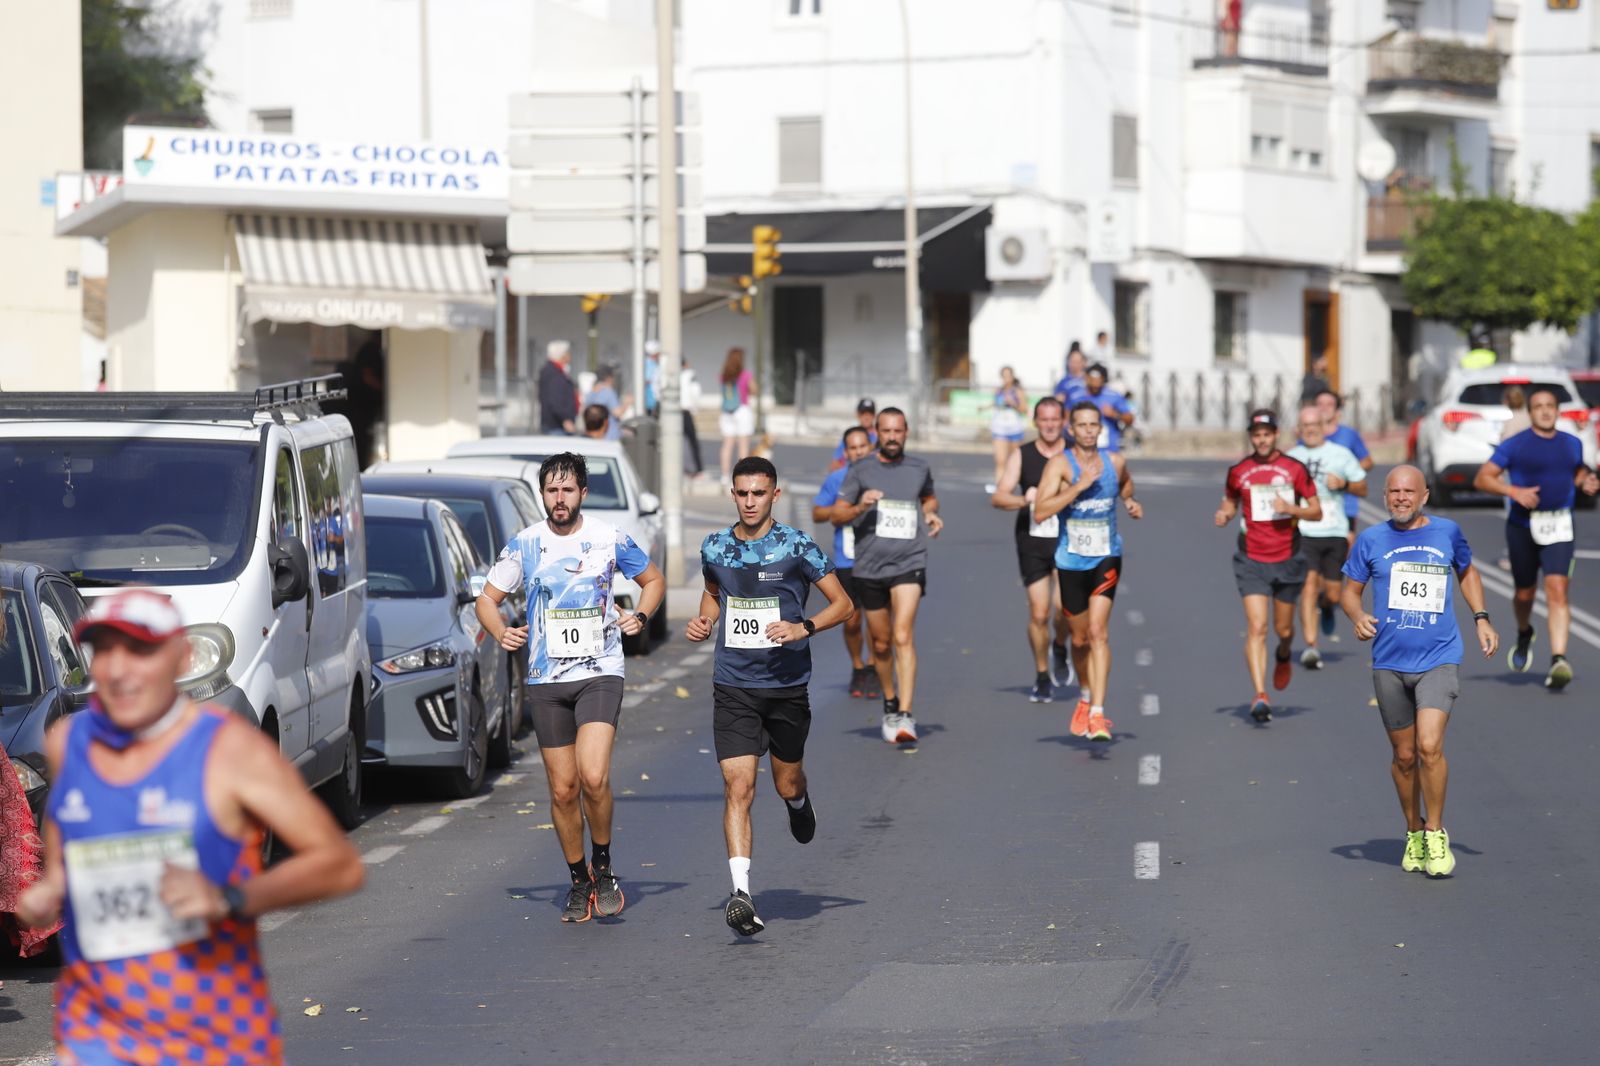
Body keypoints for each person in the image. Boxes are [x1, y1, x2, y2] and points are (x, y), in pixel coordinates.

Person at [16, 590, 365, 1063]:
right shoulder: (70, 743)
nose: (119, 670)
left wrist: (228, 899)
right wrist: (50, 888)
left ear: (181, 658)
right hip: (96, 1031)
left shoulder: (228, 750)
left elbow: (338, 865)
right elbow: (68, 845)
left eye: (140, 650)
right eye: (105, 651)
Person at [475, 453, 666, 922]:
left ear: (582, 492)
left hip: (600, 671)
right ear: (543, 495)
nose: (559, 499)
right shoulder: (525, 544)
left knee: (594, 776)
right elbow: (486, 598)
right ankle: (579, 879)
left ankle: (603, 864)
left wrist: (640, 616)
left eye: (567, 490)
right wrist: (501, 632)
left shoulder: (607, 539)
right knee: (563, 791)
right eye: (551, 490)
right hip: (545, 680)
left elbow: (653, 580)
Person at [687, 457, 853, 937]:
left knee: (786, 784)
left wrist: (804, 627)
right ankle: (741, 893)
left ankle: (799, 804)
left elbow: (843, 605)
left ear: (774, 495)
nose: (750, 501)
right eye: (742, 493)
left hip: (785, 687)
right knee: (739, 787)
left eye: (759, 493)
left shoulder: (797, 547)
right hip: (733, 684)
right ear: (733, 494)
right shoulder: (715, 546)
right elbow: (713, 593)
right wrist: (706, 620)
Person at [1341, 466, 1499, 878]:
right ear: (1385, 494)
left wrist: (1481, 617)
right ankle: (1412, 830)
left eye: (1408, 491)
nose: (1400, 498)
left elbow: (1467, 571)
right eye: (1393, 491)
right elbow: (1348, 590)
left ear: (1424, 495)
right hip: (1389, 663)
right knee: (1405, 756)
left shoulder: (1447, 532)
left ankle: (1434, 830)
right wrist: (1357, 615)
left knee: (1430, 746)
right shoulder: (1372, 539)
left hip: (1439, 658)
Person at [1472, 389, 1600, 689]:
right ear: (1530, 412)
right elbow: (1483, 478)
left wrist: (1586, 481)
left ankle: (1558, 659)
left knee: (1557, 589)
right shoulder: (1516, 445)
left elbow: (1576, 472)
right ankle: (1524, 631)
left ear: (1557, 411)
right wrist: (1514, 492)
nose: (1544, 411)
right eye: (1538, 407)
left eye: (1550, 406)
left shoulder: (1572, 443)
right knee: (1525, 594)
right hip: (1522, 526)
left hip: (1559, 525)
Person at [830, 407, 943, 744]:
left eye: (899, 431)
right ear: (877, 432)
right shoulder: (861, 469)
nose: (893, 437)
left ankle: (905, 713)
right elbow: (837, 515)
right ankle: (890, 701)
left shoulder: (919, 467)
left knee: (902, 635)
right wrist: (861, 505)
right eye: (887, 431)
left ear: (906, 432)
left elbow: (928, 496)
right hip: (869, 567)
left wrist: (931, 513)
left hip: (910, 561)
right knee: (880, 644)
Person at [1034, 401, 1144, 739]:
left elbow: (1126, 484)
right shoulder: (1058, 465)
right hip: (1071, 561)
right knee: (1079, 639)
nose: (1087, 431)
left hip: (1106, 555)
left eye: (1093, 425)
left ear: (1100, 428)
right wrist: (1078, 487)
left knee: (1099, 632)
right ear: (1071, 428)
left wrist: (1128, 501)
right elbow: (1040, 511)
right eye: (1081, 425)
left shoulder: (1115, 461)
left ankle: (1098, 712)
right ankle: (1084, 694)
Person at [1215, 409, 1322, 722]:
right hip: (1251, 559)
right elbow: (1231, 500)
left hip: (1288, 558)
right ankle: (1260, 695)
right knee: (1257, 627)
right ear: (1251, 436)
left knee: (1284, 630)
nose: (1261, 439)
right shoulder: (1239, 471)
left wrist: (1289, 508)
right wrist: (1224, 514)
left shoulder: (1294, 469)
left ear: (1276, 435)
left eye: (1266, 434)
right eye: (1256, 434)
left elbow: (1316, 512)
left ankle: (1285, 652)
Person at [990, 396, 1073, 702]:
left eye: (1055, 419)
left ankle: (1060, 646)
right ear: (1036, 422)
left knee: (1064, 608)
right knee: (1038, 614)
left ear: (1063, 421)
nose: (1050, 425)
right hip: (1033, 539)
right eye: (1044, 419)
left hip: (1068, 539)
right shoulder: (1022, 455)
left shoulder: (1073, 454)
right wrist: (1024, 500)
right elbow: (998, 497)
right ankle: (1041, 675)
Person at [1287, 405, 1368, 669]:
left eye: (1315, 426)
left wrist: (1343, 485)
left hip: (1334, 530)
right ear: (1299, 430)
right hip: (1304, 531)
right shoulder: (1290, 457)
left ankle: (1328, 606)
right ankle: (1311, 646)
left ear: (1324, 427)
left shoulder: (1341, 454)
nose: (1310, 430)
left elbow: (1363, 487)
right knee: (1308, 584)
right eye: (1305, 426)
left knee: (1333, 593)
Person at [814, 426, 880, 697]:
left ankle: (875, 667)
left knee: (877, 621)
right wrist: (845, 510)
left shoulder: (884, 477)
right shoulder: (837, 479)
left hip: (878, 557)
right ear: (846, 452)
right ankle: (857, 666)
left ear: (871, 447)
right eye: (853, 448)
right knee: (852, 620)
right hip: (846, 558)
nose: (859, 451)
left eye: (863, 446)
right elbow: (818, 513)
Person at [1314, 389, 1374, 547]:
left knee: (1344, 552)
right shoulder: (1308, 436)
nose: (1324, 408)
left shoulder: (1348, 435)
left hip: (1344, 501)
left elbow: (1367, 461)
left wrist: (1347, 474)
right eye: (1319, 404)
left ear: (1337, 409)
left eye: (1329, 404)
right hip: (1317, 501)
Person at [718, 347, 756, 480]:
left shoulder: (724, 375)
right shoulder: (745, 375)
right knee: (743, 445)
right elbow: (753, 390)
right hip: (742, 410)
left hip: (726, 411)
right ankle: (742, 475)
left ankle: (724, 476)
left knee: (727, 445)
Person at [989, 366, 1028, 493]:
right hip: (999, 428)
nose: (1006, 379)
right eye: (1004, 376)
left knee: (1013, 460)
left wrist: (1013, 403)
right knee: (1000, 460)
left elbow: (1024, 409)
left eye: (1008, 376)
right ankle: (1000, 488)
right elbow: (995, 405)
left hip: (1014, 428)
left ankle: (1010, 486)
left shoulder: (1017, 391)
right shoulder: (998, 391)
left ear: (1012, 376)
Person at [1082, 364, 1136, 452]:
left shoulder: (1113, 396)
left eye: (1098, 379)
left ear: (1103, 380)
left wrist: (1114, 414)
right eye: (1092, 379)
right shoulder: (1078, 395)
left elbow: (1130, 419)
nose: (1095, 383)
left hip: (1109, 448)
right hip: (1084, 449)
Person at [539, 339, 580, 435]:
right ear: (562, 355)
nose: (569, 356)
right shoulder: (554, 373)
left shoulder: (553, 371)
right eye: (567, 353)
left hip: (555, 424)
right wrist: (565, 419)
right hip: (557, 426)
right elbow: (555, 400)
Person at [829, 398, 878, 470]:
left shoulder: (880, 437)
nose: (866, 417)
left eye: (870, 414)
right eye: (863, 413)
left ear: (875, 415)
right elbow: (835, 464)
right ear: (857, 415)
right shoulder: (850, 437)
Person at [584, 364, 629, 441]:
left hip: (594, 435)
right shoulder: (608, 392)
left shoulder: (591, 392)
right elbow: (617, 412)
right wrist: (627, 403)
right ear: (609, 378)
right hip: (609, 435)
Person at [681, 357, 705, 477]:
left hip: (670, 412)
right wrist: (695, 408)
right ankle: (698, 469)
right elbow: (695, 391)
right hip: (685, 411)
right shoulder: (690, 375)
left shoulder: (667, 373)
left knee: (675, 441)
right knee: (692, 441)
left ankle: (680, 467)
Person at [644, 340, 662, 417]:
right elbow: (647, 380)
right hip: (651, 400)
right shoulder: (649, 364)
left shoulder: (654, 364)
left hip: (654, 400)